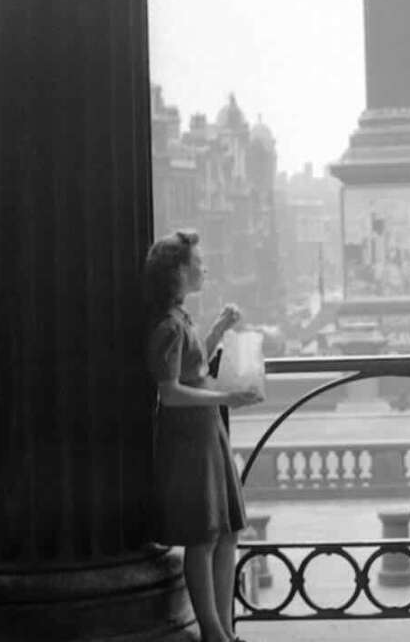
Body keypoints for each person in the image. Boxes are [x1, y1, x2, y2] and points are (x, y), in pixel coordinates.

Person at [144, 230, 262, 642]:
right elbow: (170, 392)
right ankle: (213, 632)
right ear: (178, 271)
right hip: (191, 437)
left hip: (205, 431)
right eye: (198, 262)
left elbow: (195, 368)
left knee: (224, 531)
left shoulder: (180, 320)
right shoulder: (168, 327)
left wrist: (218, 327)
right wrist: (229, 395)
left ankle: (224, 630)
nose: (205, 268)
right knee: (203, 535)